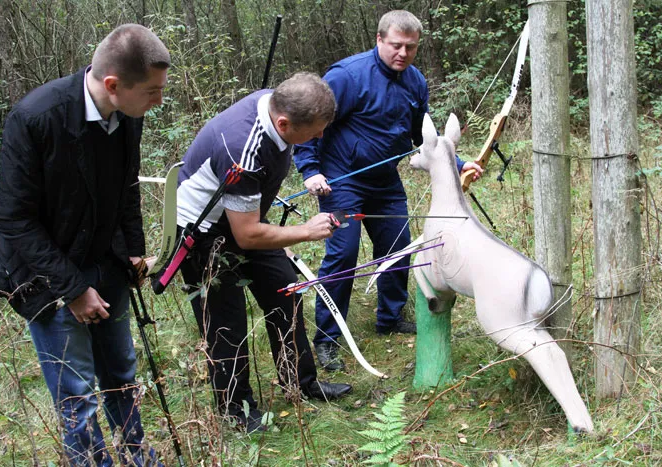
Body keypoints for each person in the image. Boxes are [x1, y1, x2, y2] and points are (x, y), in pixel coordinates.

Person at [0, 24, 170, 466]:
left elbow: (126, 189)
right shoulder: (35, 118)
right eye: (153, 91)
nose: (158, 101)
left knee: (121, 372)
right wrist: (73, 290)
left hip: (104, 259)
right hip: (43, 275)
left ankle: (138, 456)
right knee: (77, 392)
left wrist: (135, 250)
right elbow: (14, 220)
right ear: (113, 85)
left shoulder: (127, 116)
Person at [294, 10, 482, 371]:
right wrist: (310, 169)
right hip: (341, 178)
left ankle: (391, 318)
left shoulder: (415, 82)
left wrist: (457, 164)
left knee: (398, 247)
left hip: (385, 180)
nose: (403, 53)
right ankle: (329, 339)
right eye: (396, 45)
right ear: (379, 40)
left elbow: (421, 139)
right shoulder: (347, 77)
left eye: (410, 47)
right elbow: (311, 121)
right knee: (344, 255)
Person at [176, 72, 352, 433]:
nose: (319, 137)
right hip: (202, 232)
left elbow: (250, 220)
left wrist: (281, 240)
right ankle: (236, 410)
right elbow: (248, 235)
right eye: (315, 131)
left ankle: (300, 383)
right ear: (284, 123)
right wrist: (303, 232)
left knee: (285, 290)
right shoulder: (244, 148)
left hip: (242, 217)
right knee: (226, 322)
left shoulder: (279, 103)